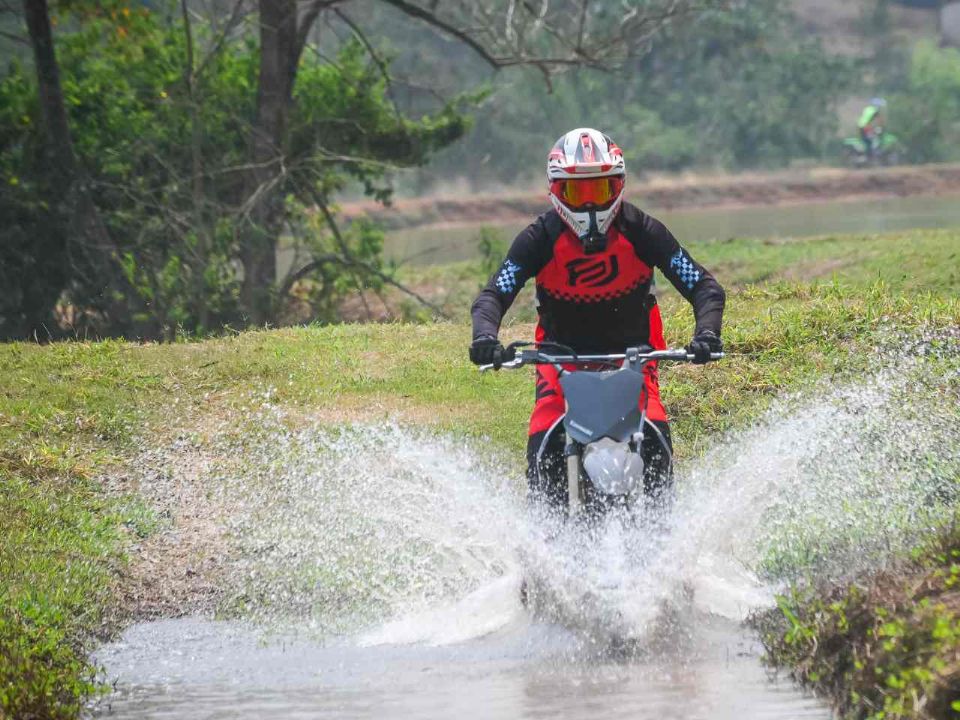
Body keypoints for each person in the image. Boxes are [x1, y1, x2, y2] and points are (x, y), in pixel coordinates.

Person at [468, 128, 725, 510]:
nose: (589, 205)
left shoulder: (643, 231)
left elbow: (704, 287)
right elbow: (494, 294)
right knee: (544, 438)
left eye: (599, 190)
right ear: (556, 192)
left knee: (654, 434)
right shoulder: (539, 238)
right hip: (558, 358)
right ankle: (542, 538)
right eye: (577, 192)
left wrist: (706, 333)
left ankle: (665, 533)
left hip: (635, 358)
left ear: (619, 186)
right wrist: (484, 337)